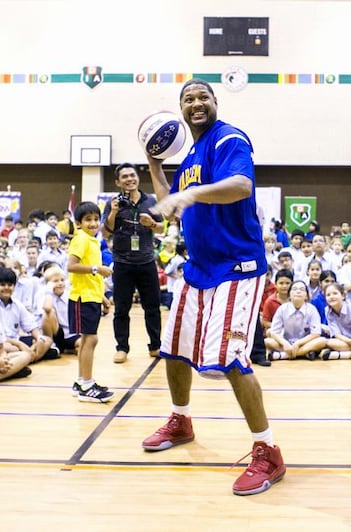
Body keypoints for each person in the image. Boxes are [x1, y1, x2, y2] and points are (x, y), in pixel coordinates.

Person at [144, 78, 285, 496]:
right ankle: (181, 419)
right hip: (200, 268)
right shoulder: (188, 155)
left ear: (215, 103)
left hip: (237, 268)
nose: (196, 103)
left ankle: (268, 451)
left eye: (203, 96)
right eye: (188, 99)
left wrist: (190, 196)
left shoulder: (228, 140)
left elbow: (240, 186)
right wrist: (155, 169)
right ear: (181, 110)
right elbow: (172, 206)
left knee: (230, 358)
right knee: (173, 347)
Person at [101, 162, 164, 364]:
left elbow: (162, 228)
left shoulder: (150, 201)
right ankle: (122, 348)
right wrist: (112, 212)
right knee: (121, 308)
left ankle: (155, 345)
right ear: (118, 182)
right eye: (125, 176)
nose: (130, 179)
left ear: (137, 178)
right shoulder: (113, 203)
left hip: (146, 261)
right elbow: (104, 232)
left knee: (152, 307)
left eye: (132, 175)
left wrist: (152, 224)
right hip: (122, 263)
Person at [66, 202, 114, 402]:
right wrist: (98, 268)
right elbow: (72, 266)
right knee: (90, 339)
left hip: (91, 296)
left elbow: (87, 276)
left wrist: (102, 297)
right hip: (81, 298)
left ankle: (81, 382)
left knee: (88, 339)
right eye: (88, 220)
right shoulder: (82, 239)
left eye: (96, 219)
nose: (93, 223)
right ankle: (86, 385)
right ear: (78, 223)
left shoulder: (92, 241)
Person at [263, 280, 327, 360]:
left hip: (305, 343)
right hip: (286, 343)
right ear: (289, 295)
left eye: (302, 289)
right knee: (267, 341)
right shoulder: (282, 309)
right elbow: (274, 332)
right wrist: (285, 343)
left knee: (322, 341)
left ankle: (284, 355)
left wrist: (298, 343)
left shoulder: (312, 309)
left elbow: (316, 333)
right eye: (295, 289)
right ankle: (304, 353)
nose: (298, 291)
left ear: (306, 296)